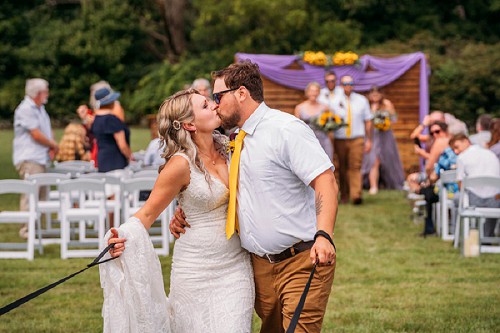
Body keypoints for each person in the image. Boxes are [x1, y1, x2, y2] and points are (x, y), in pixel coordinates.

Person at [171, 61, 338, 332]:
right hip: (258, 267)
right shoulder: (231, 140)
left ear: (241, 93)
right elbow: (224, 188)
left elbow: (326, 180)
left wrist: (324, 234)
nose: (214, 105)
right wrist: (185, 212)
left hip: (301, 260)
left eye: (217, 97)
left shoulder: (285, 129)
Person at [102, 89, 255, 332]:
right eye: (205, 106)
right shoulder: (179, 165)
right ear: (189, 124)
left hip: (235, 267)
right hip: (194, 271)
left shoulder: (231, 148)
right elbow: (148, 213)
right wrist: (121, 237)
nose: (215, 106)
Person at [13, 78, 59, 239]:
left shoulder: (40, 109)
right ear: (38, 93)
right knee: (30, 195)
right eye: (46, 91)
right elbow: (35, 134)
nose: (48, 94)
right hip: (30, 158)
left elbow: (46, 130)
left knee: (41, 196)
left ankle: (38, 231)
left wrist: (51, 145)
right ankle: (26, 231)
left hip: (40, 158)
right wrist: (52, 145)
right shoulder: (26, 109)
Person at [332, 75, 372, 205]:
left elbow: (368, 121)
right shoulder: (334, 101)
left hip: (357, 138)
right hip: (340, 138)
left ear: (353, 84)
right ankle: (344, 194)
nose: (347, 85)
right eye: (345, 83)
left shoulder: (362, 100)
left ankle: (356, 195)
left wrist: (369, 139)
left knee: (355, 166)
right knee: (342, 167)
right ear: (341, 85)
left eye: (350, 83)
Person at [450, 133, 500, 237]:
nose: (456, 151)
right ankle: (488, 236)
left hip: (473, 201)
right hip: (495, 202)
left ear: (466, 141)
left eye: (456, 147)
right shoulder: (490, 154)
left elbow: (460, 184)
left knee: (457, 199)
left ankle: (459, 235)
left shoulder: (462, 158)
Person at [363, 86, 404, 193]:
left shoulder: (387, 103)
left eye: (377, 94)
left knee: (389, 159)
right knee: (374, 160)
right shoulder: (367, 106)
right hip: (373, 135)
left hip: (386, 135)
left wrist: (385, 122)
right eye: (373, 94)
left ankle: (392, 182)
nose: (375, 96)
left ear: (381, 94)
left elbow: (394, 118)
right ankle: (373, 186)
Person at [91, 87, 132, 172]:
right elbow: (122, 145)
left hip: (102, 160)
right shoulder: (112, 120)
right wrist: (129, 157)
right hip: (115, 161)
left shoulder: (96, 119)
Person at [294, 81, 333, 160]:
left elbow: (330, 128)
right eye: (311, 91)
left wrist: (331, 142)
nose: (314, 93)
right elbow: (296, 129)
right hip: (307, 142)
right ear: (307, 92)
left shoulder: (325, 108)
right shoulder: (299, 108)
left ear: (319, 93)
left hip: (323, 141)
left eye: (316, 91)